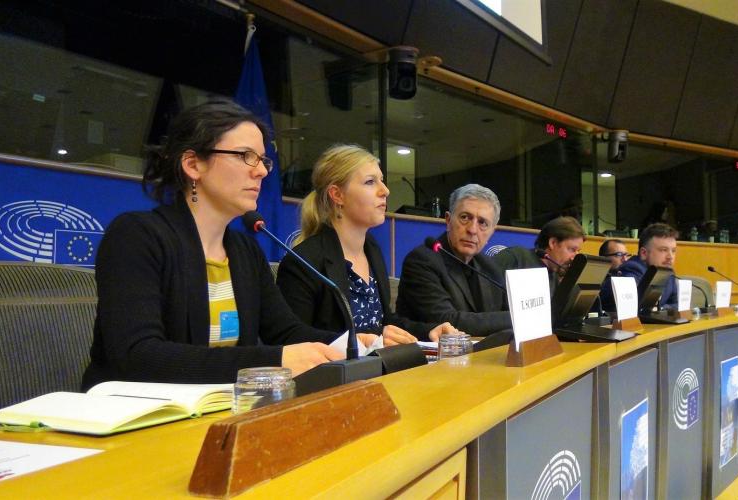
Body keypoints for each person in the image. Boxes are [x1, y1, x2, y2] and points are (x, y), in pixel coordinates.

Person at [82, 100, 343, 390]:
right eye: (246, 156)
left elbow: (286, 332)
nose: (262, 172)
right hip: (134, 419)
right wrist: (274, 360)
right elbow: (138, 356)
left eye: (263, 160)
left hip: (220, 413)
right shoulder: (137, 236)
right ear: (193, 164)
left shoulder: (245, 251)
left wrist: (358, 343)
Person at [277, 144, 455, 344]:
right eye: (370, 182)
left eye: (382, 181)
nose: (385, 191)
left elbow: (384, 323)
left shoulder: (371, 249)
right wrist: (356, 343)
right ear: (337, 195)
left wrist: (428, 331)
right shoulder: (303, 262)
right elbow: (292, 340)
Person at [396, 184, 511, 337]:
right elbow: (447, 321)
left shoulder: (490, 267)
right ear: (448, 220)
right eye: (465, 218)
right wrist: (519, 317)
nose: (472, 230)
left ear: (492, 231)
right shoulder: (422, 261)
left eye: (482, 223)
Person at [599, 223, 679, 312]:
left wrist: (661, 309)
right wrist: (662, 310)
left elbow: (676, 306)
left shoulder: (668, 273)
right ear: (644, 253)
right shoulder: (632, 270)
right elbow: (637, 310)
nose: (670, 256)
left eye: (673, 251)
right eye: (663, 250)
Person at [493, 216, 585, 293]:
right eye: (572, 249)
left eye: (578, 251)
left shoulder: (555, 277)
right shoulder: (516, 258)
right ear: (553, 243)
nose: (574, 258)